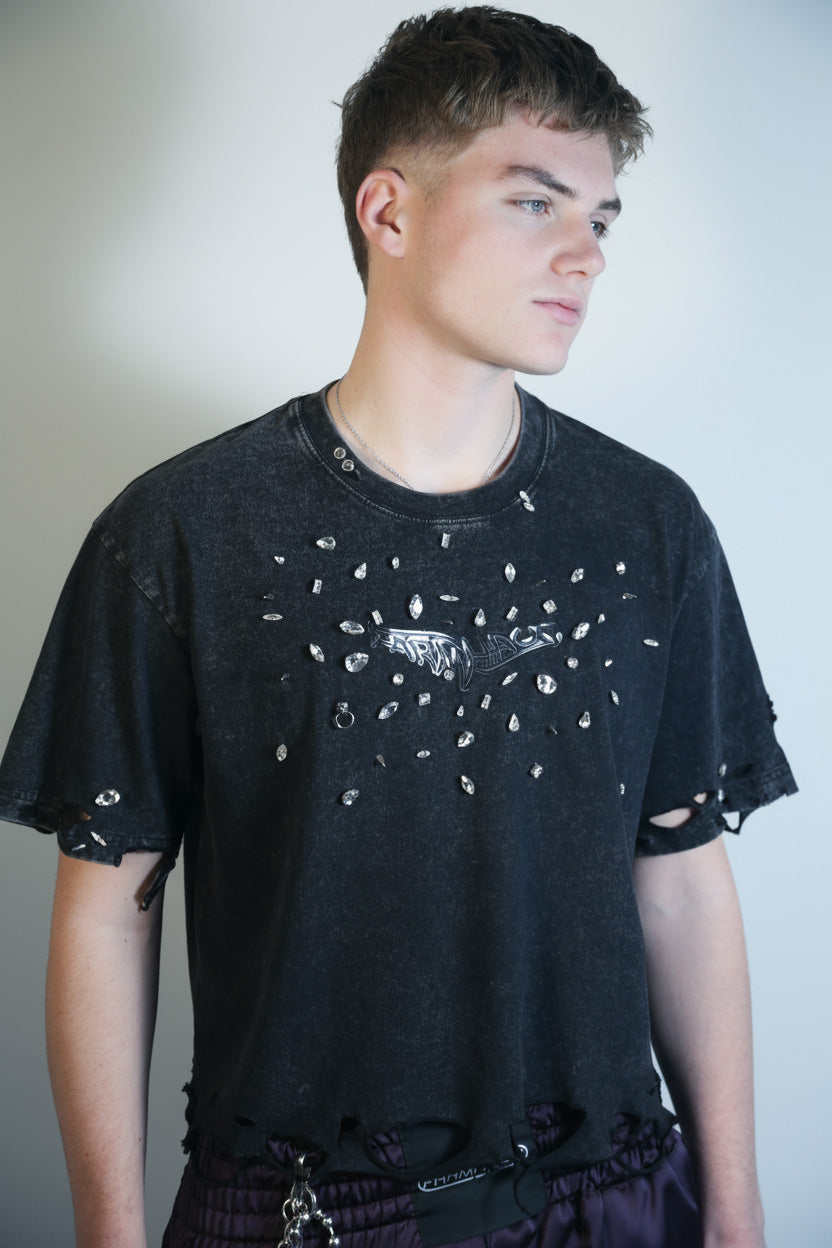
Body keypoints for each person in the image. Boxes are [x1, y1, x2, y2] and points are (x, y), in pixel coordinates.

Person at [0, 7, 796, 1248]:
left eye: (601, 217)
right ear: (390, 212)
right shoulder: (184, 531)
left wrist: (737, 1213)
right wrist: (109, 1235)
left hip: (612, 1202)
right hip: (296, 1213)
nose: (585, 253)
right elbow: (108, 908)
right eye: (536, 202)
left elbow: (683, 878)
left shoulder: (647, 526)